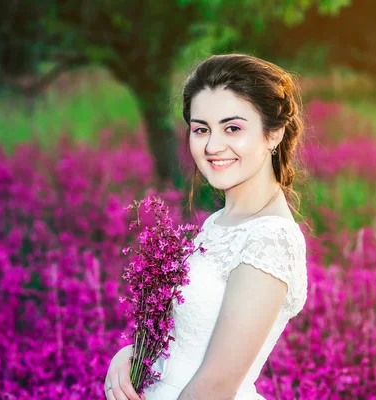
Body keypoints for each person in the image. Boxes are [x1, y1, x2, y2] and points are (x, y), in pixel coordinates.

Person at [104, 53, 308, 400]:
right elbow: (186, 336)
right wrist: (132, 358)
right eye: (201, 129)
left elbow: (214, 387)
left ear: (273, 133)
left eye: (233, 128)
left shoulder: (270, 239)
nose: (212, 146)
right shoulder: (219, 222)